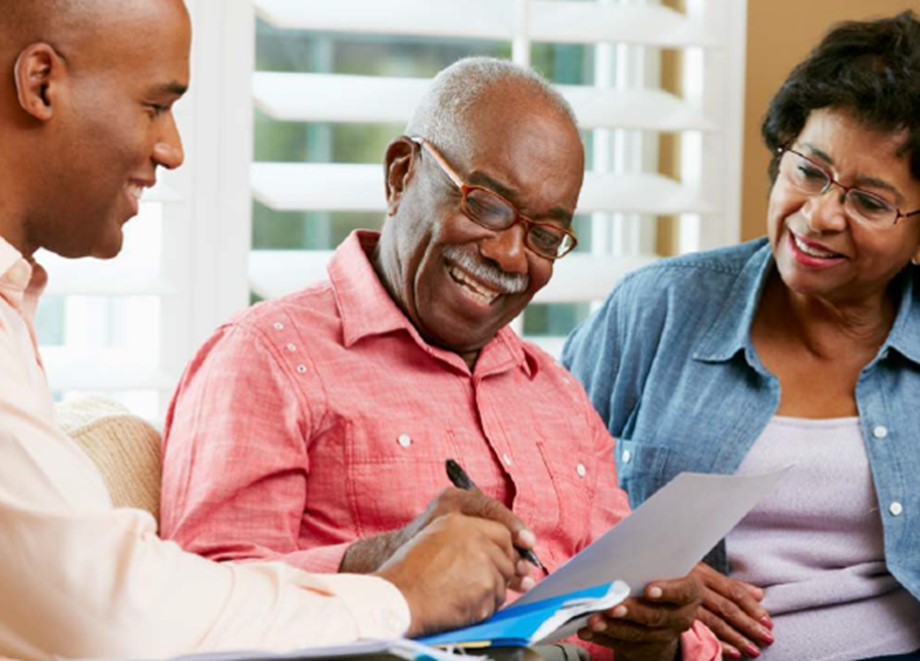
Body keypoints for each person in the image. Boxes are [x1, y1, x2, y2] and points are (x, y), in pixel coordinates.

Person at [0, 1, 539, 658]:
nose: (172, 149)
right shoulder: (268, 355)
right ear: (41, 83)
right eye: (153, 106)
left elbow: (124, 585)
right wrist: (399, 596)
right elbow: (111, 614)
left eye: (546, 234)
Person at [161, 57, 720, 661]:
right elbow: (205, 607)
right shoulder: (268, 358)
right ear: (401, 174)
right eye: (486, 205)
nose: (510, 256)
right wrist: (383, 564)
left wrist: (659, 636)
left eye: (544, 236)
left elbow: (633, 614)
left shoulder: (557, 392)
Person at [563, 12, 920, 661]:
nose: (820, 215)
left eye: (869, 202)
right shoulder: (657, 308)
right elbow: (536, 492)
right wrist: (641, 577)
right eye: (809, 170)